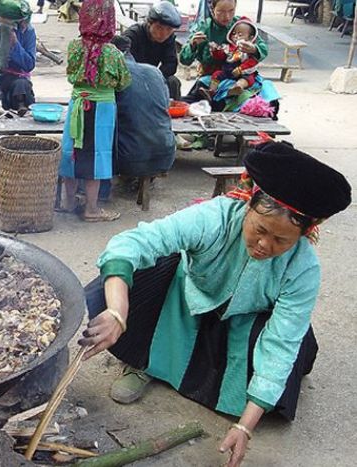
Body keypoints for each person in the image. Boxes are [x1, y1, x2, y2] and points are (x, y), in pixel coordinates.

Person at [79, 141, 352, 467]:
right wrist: (117, 311)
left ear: (305, 234)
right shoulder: (215, 217)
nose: (265, 245)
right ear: (249, 205)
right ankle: (144, 363)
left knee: (279, 379)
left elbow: (282, 341)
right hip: (186, 297)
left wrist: (244, 426)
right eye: (260, 230)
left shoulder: (303, 268)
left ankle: (226, 390)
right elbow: (132, 243)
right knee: (121, 280)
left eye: (282, 240)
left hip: (246, 319)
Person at [58, 0, 131, 222]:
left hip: (78, 104)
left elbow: (70, 73)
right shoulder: (114, 53)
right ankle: (91, 209)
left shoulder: (74, 47)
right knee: (97, 156)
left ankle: (68, 202)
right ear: (110, 21)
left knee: (72, 152)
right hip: (103, 109)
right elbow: (124, 82)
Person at [98, 56, 175, 201]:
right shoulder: (154, 71)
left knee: (100, 127)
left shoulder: (113, 73)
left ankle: (100, 189)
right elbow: (166, 105)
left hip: (130, 159)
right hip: (166, 155)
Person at [179, 0, 270, 111]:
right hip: (212, 78)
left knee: (266, 103)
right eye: (220, 12)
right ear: (212, 10)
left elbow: (263, 48)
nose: (226, 17)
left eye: (231, 11)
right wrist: (192, 45)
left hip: (240, 75)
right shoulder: (204, 28)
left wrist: (254, 49)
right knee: (197, 104)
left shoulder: (241, 25)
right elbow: (184, 59)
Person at [112, 1, 183, 100]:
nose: (163, 33)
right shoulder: (132, 36)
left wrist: (155, 77)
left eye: (169, 29)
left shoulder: (169, 39)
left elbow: (171, 64)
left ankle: (170, 112)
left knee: (173, 82)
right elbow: (122, 65)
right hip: (131, 78)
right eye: (159, 28)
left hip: (152, 77)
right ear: (149, 23)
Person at [204, 17, 259, 98]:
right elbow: (221, 57)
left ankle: (237, 87)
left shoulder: (248, 50)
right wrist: (216, 50)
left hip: (242, 73)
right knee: (216, 75)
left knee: (248, 79)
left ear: (250, 38)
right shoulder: (228, 47)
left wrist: (240, 69)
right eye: (234, 33)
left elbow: (252, 62)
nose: (236, 36)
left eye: (240, 35)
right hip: (228, 72)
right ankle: (211, 91)